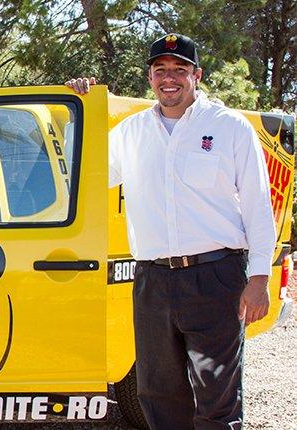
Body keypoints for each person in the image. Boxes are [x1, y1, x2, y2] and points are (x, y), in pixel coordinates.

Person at [67, 33, 275, 429]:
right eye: (160, 70)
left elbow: (256, 204)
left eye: (180, 69)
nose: (170, 78)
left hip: (216, 276)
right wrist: (77, 109)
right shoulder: (130, 133)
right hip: (153, 280)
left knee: (217, 399)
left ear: (197, 75)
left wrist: (259, 278)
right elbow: (81, 172)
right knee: (158, 395)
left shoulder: (229, 127)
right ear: (149, 77)